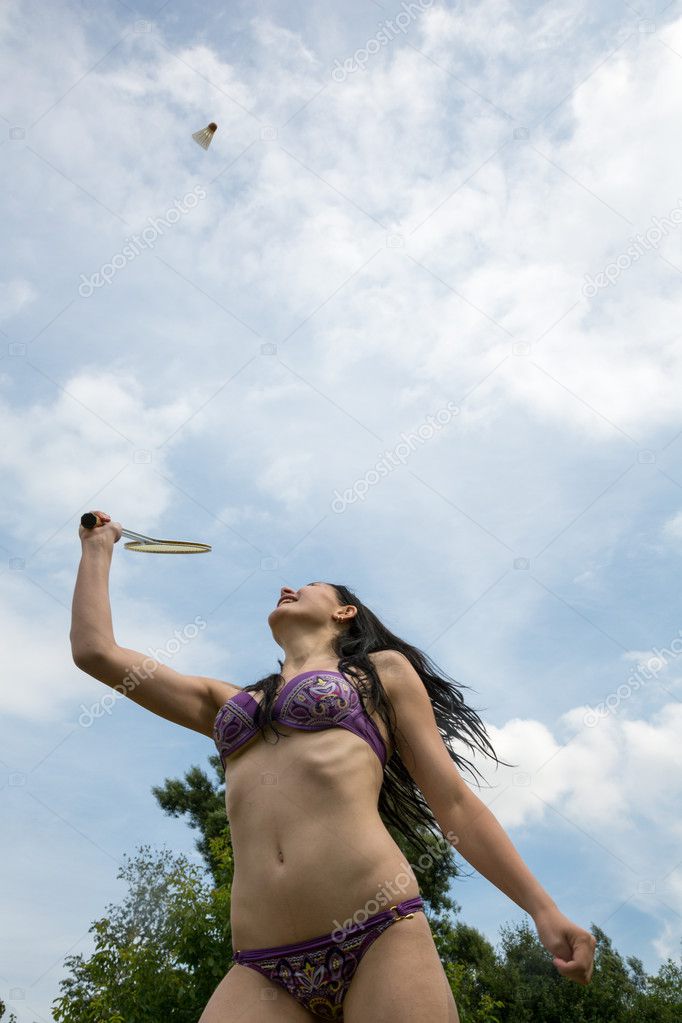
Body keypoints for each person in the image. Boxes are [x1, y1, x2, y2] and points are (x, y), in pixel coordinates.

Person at [71, 510, 596, 1022]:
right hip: (262, 966)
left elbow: (453, 802)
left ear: (344, 612)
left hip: (379, 934)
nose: (285, 587)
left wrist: (541, 908)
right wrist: (97, 548)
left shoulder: (381, 674)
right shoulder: (224, 701)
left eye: (309, 585)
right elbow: (96, 652)